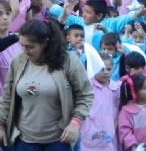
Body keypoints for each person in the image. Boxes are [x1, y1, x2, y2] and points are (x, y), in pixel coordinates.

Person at [0, 19, 94, 150]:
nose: (25, 51)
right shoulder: (18, 61)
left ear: (45, 43)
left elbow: (85, 95)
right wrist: (1, 124)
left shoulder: (68, 61)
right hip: (24, 139)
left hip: (59, 140)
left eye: (30, 47)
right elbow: (7, 96)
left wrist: (75, 122)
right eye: (22, 46)